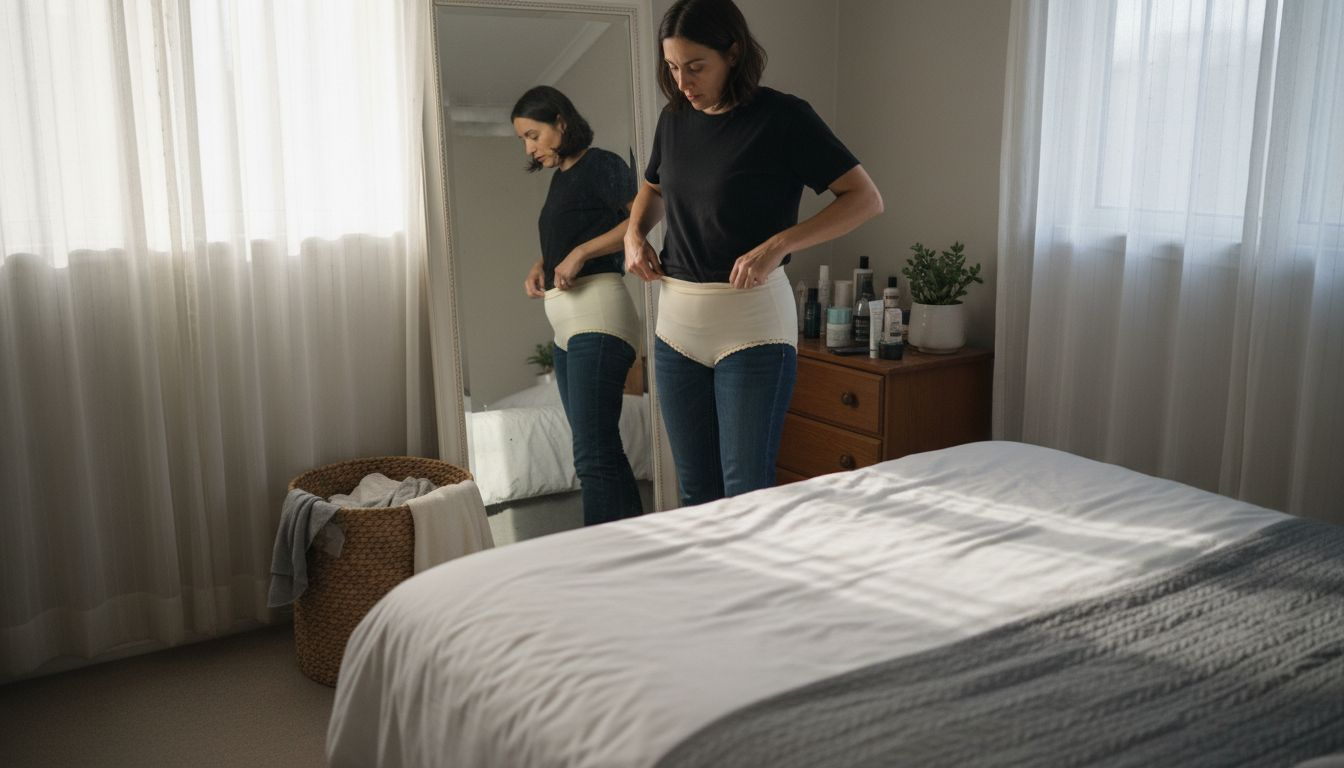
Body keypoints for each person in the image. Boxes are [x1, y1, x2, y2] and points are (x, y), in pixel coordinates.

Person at [624, 0, 883, 506]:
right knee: (696, 494)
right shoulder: (673, 120)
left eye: (696, 66)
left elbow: (866, 199)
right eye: (673, 68)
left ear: (734, 53)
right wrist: (635, 234)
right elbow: (654, 188)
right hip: (676, 328)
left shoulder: (783, 118)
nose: (683, 82)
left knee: (746, 495)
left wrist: (780, 243)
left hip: (753, 327)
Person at [511, 85, 644, 525]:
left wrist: (582, 252)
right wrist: (542, 262)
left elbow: (636, 220)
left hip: (599, 315)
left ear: (561, 124)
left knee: (593, 454)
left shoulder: (601, 164)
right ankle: (633, 552)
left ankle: (606, 564)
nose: (530, 148)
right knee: (595, 450)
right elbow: (570, 235)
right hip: (566, 327)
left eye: (533, 135)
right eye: (524, 140)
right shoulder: (561, 177)